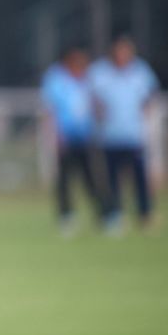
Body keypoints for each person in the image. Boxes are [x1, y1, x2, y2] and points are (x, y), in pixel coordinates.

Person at [88, 34, 160, 230]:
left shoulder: (141, 71)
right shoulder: (100, 72)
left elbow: (150, 96)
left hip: (134, 135)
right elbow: (91, 98)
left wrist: (145, 116)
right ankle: (114, 215)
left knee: (140, 179)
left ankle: (145, 214)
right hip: (109, 136)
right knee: (111, 180)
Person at [40, 46, 110, 234]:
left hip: (86, 137)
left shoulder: (89, 79)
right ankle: (66, 216)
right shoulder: (56, 79)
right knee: (64, 180)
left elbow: (98, 104)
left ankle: (104, 216)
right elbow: (49, 110)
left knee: (93, 179)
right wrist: (54, 136)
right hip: (64, 139)